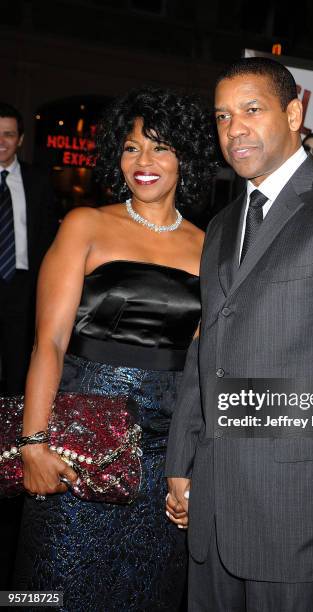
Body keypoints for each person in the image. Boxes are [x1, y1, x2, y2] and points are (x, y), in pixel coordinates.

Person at [165, 58, 313, 611]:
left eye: (252, 110)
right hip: (215, 514)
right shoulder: (224, 224)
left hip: (304, 523)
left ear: (294, 113)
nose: (234, 130)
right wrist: (182, 460)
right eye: (223, 117)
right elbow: (205, 351)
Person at [12, 87, 217, 611]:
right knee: (49, 588)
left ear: (185, 159)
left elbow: (200, 366)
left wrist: (192, 465)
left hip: (162, 455)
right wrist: (33, 442)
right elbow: (49, 343)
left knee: (146, 591)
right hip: (76, 444)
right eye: (131, 148)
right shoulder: (86, 224)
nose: (143, 162)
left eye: (160, 147)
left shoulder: (208, 246)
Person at [0, 102, 59, 394]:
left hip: (24, 287)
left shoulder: (39, 182)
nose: (2, 142)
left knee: (18, 367)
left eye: (8, 134)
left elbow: (50, 239)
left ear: (20, 139)